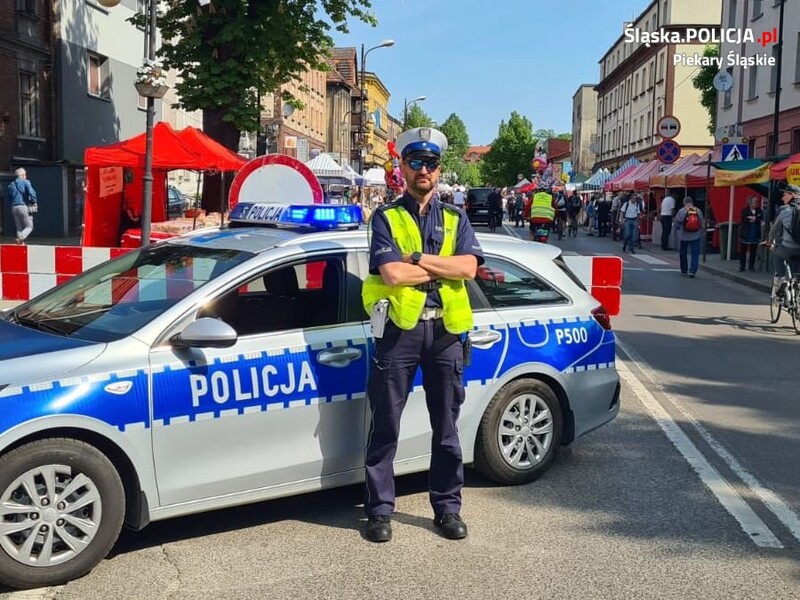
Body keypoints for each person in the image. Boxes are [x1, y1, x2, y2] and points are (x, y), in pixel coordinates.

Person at [361, 127, 484, 543]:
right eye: (416, 162)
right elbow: (392, 274)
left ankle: (447, 509)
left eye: (430, 164)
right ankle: (379, 511)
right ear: (402, 168)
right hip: (401, 332)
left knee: (446, 427)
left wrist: (416, 258)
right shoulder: (386, 217)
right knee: (387, 425)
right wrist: (437, 264)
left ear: (439, 169)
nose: (424, 170)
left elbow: (468, 268)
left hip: (446, 333)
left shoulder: (456, 216)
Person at [766, 184, 800, 296]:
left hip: (788, 249)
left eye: (785, 195)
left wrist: (769, 242)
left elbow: (773, 230)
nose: (782, 198)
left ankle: (781, 279)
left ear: (793, 195)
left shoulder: (784, 211)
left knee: (776, 253)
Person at [6, 167, 38, 245]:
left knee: (19, 227)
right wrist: (34, 201)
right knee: (29, 227)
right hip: (22, 206)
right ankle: (20, 238)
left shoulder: (11, 185)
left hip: (14, 207)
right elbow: (31, 192)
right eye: (25, 175)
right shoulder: (26, 182)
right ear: (23, 175)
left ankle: (20, 244)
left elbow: (9, 197)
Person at [675, 196, 704, 278]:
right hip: (696, 235)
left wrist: (677, 228)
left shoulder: (682, 211)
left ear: (684, 202)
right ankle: (692, 271)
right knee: (695, 254)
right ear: (692, 202)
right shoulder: (698, 211)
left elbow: (677, 222)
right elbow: (701, 223)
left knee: (683, 253)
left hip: (684, 235)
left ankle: (684, 270)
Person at [738, 195, 763, 272]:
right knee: (743, 251)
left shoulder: (759, 210)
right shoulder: (745, 210)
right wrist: (753, 219)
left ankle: (751, 266)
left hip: (755, 232)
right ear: (750, 203)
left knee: (753, 251)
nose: (757, 204)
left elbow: (760, 218)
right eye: (755, 202)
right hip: (746, 232)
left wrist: (753, 219)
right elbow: (744, 219)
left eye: (757, 202)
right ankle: (742, 266)